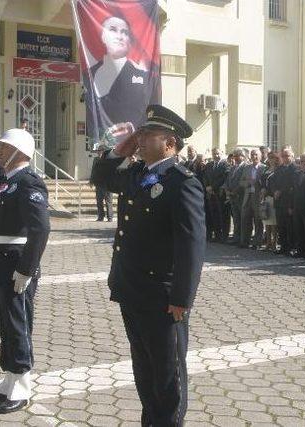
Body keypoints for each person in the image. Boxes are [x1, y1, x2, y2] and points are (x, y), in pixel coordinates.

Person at [90, 104, 205, 426]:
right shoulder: (139, 174)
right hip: (132, 289)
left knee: (168, 375)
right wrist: (118, 151)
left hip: (162, 297)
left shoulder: (183, 183)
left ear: (169, 143)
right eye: (140, 134)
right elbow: (100, 177)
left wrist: (182, 298)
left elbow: (191, 246)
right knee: (144, 370)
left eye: (147, 134)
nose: (139, 139)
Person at [0, 129, 50, 414]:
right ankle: (9, 378)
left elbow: (40, 230)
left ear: (20, 152)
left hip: (15, 262)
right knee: (3, 320)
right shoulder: (5, 180)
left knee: (18, 323)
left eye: (3, 148)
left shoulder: (29, 183)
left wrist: (27, 270)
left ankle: (22, 384)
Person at [87, 16, 155, 144]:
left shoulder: (144, 78)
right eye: (113, 30)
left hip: (128, 148)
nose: (120, 36)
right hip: (99, 148)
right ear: (102, 37)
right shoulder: (90, 74)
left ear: (129, 40)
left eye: (125, 32)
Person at [240, 149, 266, 248]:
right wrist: (247, 183)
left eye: (256, 155)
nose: (254, 156)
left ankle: (257, 242)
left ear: (260, 156)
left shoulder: (264, 168)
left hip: (258, 197)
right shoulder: (247, 168)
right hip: (248, 197)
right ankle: (245, 241)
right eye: (252, 155)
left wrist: (256, 182)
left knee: (258, 221)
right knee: (245, 219)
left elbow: (265, 183)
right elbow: (241, 182)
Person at [204, 148, 230, 242]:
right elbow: (205, 177)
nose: (216, 155)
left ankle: (224, 236)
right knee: (213, 214)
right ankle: (217, 235)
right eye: (214, 154)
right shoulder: (209, 165)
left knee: (223, 215)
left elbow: (224, 178)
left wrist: (213, 187)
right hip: (211, 194)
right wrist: (207, 186)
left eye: (218, 154)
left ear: (222, 153)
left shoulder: (225, 165)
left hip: (220, 193)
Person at [292, 154, 305, 259]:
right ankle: (300, 250)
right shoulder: (296, 174)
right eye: (301, 162)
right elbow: (293, 191)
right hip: (297, 206)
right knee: (298, 229)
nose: (303, 163)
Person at [225, 149, 246, 244]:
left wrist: (235, 191)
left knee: (242, 219)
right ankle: (236, 238)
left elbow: (243, 181)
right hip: (232, 196)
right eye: (235, 156)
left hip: (240, 196)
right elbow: (228, 180)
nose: (236, 158)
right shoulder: (233, 167)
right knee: (236, 219)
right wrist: (227, 190)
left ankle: (242, 239)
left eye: (238, 156)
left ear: (243, 156)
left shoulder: (245, 167)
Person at [92, 149, 114, 222]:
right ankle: (100, 216)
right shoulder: (96, 159)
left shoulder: (109, 160)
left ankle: (110, 217)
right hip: (99, 183)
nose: (99, 153)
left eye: (101, 151)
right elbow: (93, 170)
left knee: (108, 201)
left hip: (108, 184)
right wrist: (92, 180)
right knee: (99, 201)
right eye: (98, 151)